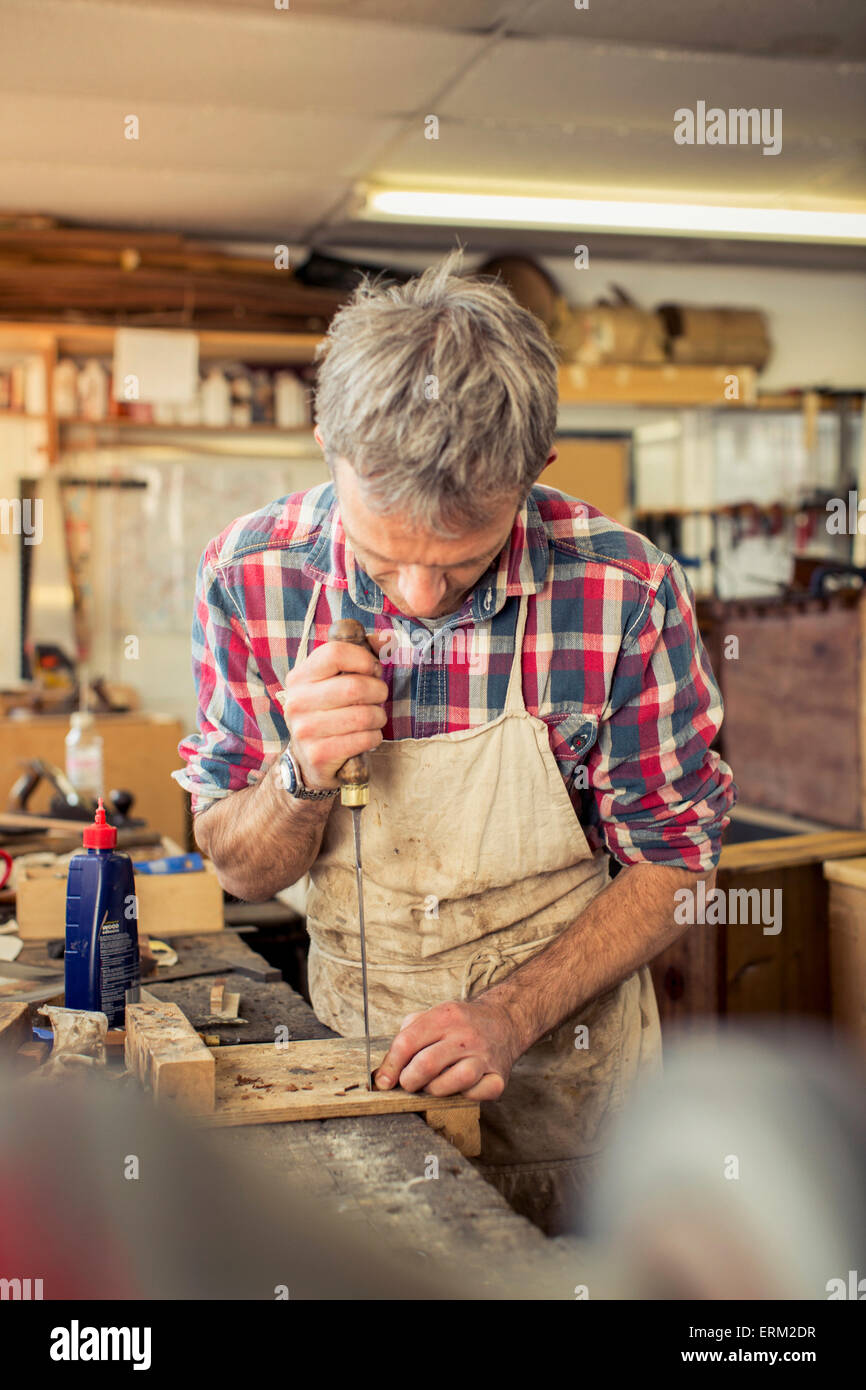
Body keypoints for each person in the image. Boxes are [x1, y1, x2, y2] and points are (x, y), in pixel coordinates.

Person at [172, 252, 735, 1234]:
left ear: (535, 470)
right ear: (326, 446)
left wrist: (510, 1015)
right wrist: (295, 773)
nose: (421, 599)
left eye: (464, 556)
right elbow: (241, 867)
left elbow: (677, 868)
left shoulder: (624, 594)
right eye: (386, 556)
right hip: (351, 1070)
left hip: (575, 1090)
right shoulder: (248, 577)